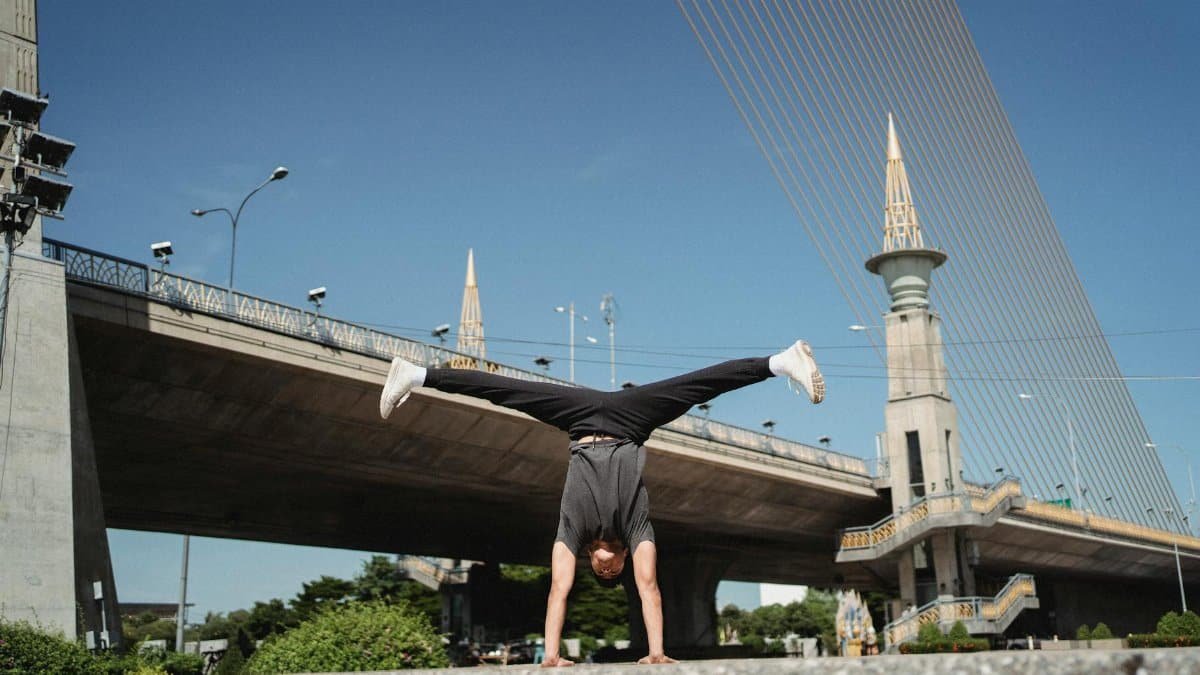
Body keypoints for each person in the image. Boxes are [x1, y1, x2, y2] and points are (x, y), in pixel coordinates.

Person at [379, 340, 825, 666]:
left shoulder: (570, 534)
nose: (609, 568)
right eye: (616, 571)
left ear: (592, 559)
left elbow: (559, 590)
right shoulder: (638, 532)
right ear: (625, 557)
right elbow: (649, 588)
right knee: (699, 386)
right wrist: (655, 653)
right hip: (632, 421)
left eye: (602, 571)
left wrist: (551, 656)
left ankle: (416, 374)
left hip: (579, 419)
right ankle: (783, 361)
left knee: (506, 389)